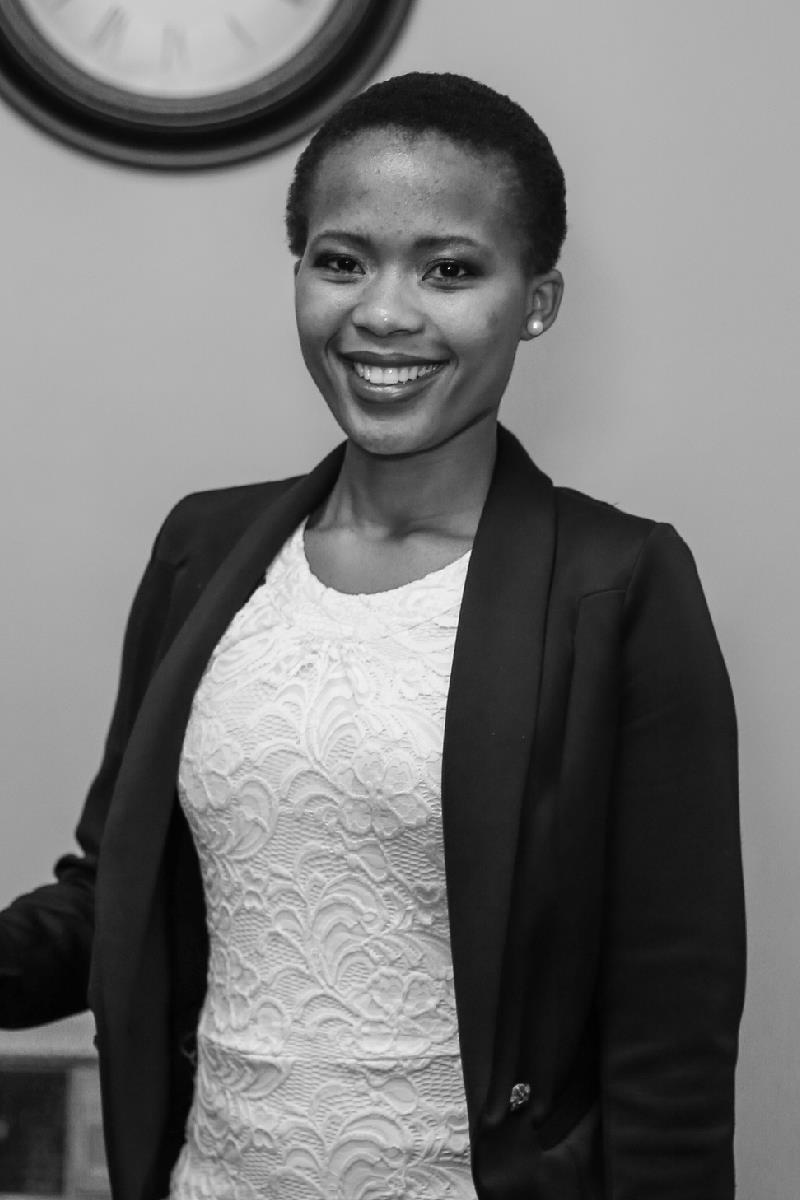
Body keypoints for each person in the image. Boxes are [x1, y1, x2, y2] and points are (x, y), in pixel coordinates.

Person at [0, 72, 745, 1200]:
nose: (383, 313)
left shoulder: (617, 586)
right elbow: (121, 897)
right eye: (341, 260)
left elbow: (670, 1036)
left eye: (449, 270)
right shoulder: (203, 552)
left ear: (536, 300)